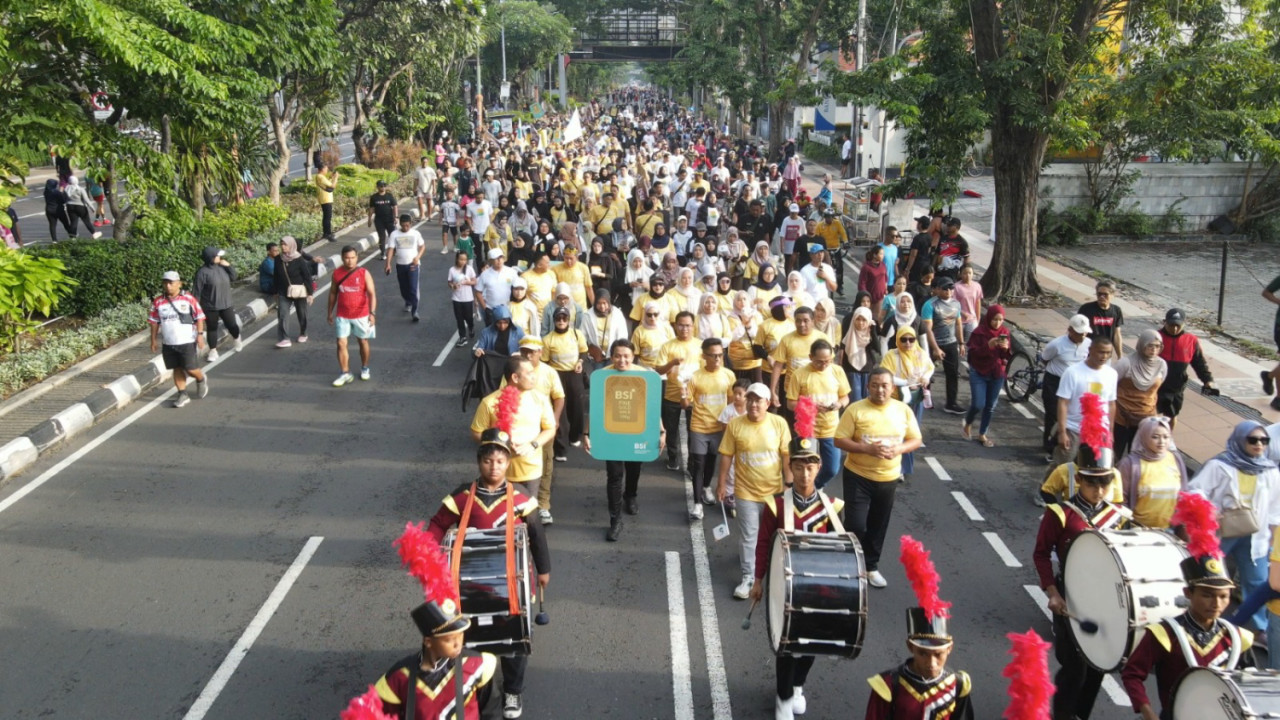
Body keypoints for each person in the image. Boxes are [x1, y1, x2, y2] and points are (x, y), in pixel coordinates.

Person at [426, 428, 551, 720]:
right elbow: (436, 525)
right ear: (478, 462)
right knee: (472, 639)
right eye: (487, 461)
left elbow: (536, 535)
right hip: (471, 587)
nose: (493, 467)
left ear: (508, 463)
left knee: (513, 640)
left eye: (499, 461)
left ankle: (512, 691)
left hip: (513, 586)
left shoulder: (521, 498)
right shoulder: (462, 495)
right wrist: (429, 560)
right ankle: (473, 688)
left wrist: (543, 570)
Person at [1032, 417, 1129, 720]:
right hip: (1070, 596)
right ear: (1080, 480)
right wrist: (1052, 593)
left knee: (1099, 666)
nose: (1099, 490)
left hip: (1106, 601)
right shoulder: (1061, 514)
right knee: (1074, 668)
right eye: (1091, 482)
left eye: (1104, 482)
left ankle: (1079, 716)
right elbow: (1041, 554)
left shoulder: (1119, 516)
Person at [748, 436, 846, 720]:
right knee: (787, 645)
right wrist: (757, 580)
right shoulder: (776, 505)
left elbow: (843, 554)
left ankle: (798, 685)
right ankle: (783, 697)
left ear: (819, 468)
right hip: (784, 589)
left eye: (810, 467)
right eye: (799, 467)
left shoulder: (834, 508)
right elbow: (764, 543)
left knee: (813, 642)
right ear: (790, 467)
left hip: (820, 590)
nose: (804, 474)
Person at [1121, 521, 1252, 720]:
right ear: (1188, 593)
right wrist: (1147, 711)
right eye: (1207, 595)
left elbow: (1249, 683)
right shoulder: (1165, 633)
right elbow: (1132, 674)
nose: (1216, 603)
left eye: (1223, 596)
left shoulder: (1238, 638)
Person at [368, 528, 498, 719]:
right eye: (449, 639)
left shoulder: (478, 665)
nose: (458, 643)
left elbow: (490, 711)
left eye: (460, 635)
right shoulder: (399, 677)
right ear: (428, 641)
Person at [833, 367, 923, 589]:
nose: (880, 390)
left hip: (888, 478)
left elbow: (916, 439)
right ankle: (849, 563)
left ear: (892, 388)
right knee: (856, 524)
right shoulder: (855, 410)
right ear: (867, 387)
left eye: (884, 385)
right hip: (858, 475)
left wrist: (899, 449)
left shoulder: (903, 411)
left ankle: (871, 567)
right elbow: (839, 440)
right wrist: (866, 449)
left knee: (878, 524)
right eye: (875, 385)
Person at [864, 538, 974, 720]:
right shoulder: (888, 685)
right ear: (910, 647)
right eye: (923, 653)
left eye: (938, 654)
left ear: (950, 648)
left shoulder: (959, 684)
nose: (931, 663)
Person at [1188, 420, 1280, 637]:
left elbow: (1276, 507)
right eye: (1253, 440)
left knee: (1257, 580)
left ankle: (1258, 629)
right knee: (1211, 576)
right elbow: (1195, 491)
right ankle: (1203, 619)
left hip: (1255, 535)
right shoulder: (1219, 466)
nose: (1259, 445)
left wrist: (1273, 538)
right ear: (1240, 439)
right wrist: (1209, 511)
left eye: (1263, 441)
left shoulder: (1270, 471)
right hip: (1222, 532)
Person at [717, 383, 792, 599]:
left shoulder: (779, 424)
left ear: (767, 403)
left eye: (758, 400)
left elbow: (787, 456)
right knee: (750, 535)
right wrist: (722, 484)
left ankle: (776, 574)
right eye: (750, 399)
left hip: (774, 493)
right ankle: (748, 577)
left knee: (774, 536)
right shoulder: (735, 425)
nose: (753, 404)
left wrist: (788, 485)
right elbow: (726, 455)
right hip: (745, 492)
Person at [588, 340, 667, 541]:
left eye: (626, 356)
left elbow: (652, 407)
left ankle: (630, 495)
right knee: (614, 476)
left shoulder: (644, 376)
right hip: (611, 434)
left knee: (634, 469)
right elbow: (595, 408)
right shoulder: (603, 376)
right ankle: (615, 520)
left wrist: (661, 431)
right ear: (612, 356)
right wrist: (587, 434)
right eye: (617, 355)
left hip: (637, 433)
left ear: (633, 356)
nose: (621, 360)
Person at [470, 357, 557, 494]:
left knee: (528, 514)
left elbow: (550, 428)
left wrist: (533, 445)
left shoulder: (540, 399)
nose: (533, 377)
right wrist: (501, 443)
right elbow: (476, 432)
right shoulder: (489, 402)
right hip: (498, 473)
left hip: (531, 471)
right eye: (529, 373)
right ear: (515, 377)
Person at [508, 336, 564, 525]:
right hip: (519, 429)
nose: (528, 355)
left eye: (532, 351)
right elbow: (504, 397)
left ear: (540, 352)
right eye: (525, 351)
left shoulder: (549, 372)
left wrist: (555, 420)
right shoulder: (514, 372)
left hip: (543, 428)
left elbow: (559, 397)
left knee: (545, 466)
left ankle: (543, 506)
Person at [786, 340, 850, 492]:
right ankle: (805, 494)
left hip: (831, 429)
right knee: (805, 468)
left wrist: (838, 404)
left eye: (828, 361)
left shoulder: (837, 371)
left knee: (832, 469)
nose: (824, 365)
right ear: (810, 357)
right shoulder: (799, 374)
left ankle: (814, 488)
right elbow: (790, 403)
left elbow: (845, 397)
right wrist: (811, 407)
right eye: (820, 362)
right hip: (808, 431)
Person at [684, 338, 736, 518]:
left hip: (719, 428)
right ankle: (697, 504)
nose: (717, 359)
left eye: (720, 355)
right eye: (713, 356)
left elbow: (731, 401)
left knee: (712, 462)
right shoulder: (695, 377)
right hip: (699, 426)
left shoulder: (729, 375)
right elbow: (686, 402)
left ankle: (706, 487)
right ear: (703, 356)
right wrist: (684, 398)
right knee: (698, 464)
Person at [1052, 339, 1118, 468]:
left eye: (1108, 353)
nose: (1104, 356)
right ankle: (1047, 488)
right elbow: (1063, 403)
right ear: (1090, 350)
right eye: (1100, 352)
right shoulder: (1072, 372)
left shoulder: (1112, 374)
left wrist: (1110, 432)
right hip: (1073, 429)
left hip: (1099, 432)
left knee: (1098, 469)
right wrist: (1062, 432)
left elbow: (1111, 404)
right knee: (1062, 467)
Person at [149, 271, 208, 408]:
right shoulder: (158, 301)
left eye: (171, 283)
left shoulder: (188, 299)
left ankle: (200, 378)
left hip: (187, 341)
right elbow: (154, 322)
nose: (168, 286)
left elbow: (199, 317)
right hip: (169, 343)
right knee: (176, 368)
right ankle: (182, 394)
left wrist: (199, 335)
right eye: (165, 283)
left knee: (191, 369)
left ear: (179, 284)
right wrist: (153, 340)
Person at [1116, 415, 1188, 529]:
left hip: (1169, 531)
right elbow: (1119, 499)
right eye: (1155, 437)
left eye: (1166, 437)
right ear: (1144, 437)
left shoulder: (1175, 458)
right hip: (1138, 531)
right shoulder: (1129, 464)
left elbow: (1184, 492)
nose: (1161, 442)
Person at [879, 326, 932, 477]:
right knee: (897, 432)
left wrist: (925, 378)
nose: (908, 343)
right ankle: (898, 467)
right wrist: (906, 382)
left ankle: (906, 466)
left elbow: (930, 367)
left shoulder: (920, 354)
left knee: (911, 433)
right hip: (897, 399)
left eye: (911, 339)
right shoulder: (892, 355)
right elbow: (886, 374)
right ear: (897, 340)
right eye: (903, 339)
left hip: (915, 399)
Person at [654, 312, 704, 472]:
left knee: (693, 430)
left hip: (694, 396)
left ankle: (691, 464)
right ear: (675, 326)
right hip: (671, 394)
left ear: (693, 326)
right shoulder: (668, 346)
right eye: (681, 325)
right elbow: (658, 369)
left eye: (688, 325)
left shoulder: (700, 345)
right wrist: (672, 363)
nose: (684, 328)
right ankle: (673, 457)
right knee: (671, 429)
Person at [1039, 315, 1092, 453]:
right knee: (1053, 414)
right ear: (1070, 330)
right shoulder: (1056, 345)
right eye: (1079, 332)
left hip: (1076, 385)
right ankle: (1050, 447)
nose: (1083, 336)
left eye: (1085, 332)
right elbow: (1045, 359)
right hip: (1055, 382)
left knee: (1072, 414)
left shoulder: (1088, 344)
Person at [327, 245, 377, 387]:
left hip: (361, 315)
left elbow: (372, 294)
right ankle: (345, 373)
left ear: (357, 257)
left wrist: (372, 313)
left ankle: (365, 367)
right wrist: (329, 312)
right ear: (342, 258)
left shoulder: (363, 273)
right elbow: (332, 293)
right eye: (347, 258)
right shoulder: (336, 274)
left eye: (352, 258)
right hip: (342, 315)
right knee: (341, 343)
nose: (350, 261)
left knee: (363, 342)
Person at [1156, 308, 1216, 427]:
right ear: (1165, 322)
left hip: (1177, 386)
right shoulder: (1156, 337)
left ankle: (1168, 439)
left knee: (1172, 416)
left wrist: (1207, 380)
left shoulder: (1191, 340)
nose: (1174, 329)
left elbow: (1199, 362)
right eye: (1171, 325)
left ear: (1184, 324)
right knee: (1152, 415)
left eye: (1178, 326)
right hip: (1157, 385)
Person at [962, 305, 1011, 448]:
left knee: (990, 406)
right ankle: (968, 422)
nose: (997, 323)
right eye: (994, 319)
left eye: (1000, 320)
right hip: (979, 372)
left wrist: (1005, 349)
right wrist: (988, 346)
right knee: (978, 404)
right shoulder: (979, 332)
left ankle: (982, 433)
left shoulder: (1005, 332)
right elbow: (973, 354)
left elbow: (1006, 357)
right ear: (989, 318)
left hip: (996, 373)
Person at [543, 307, 588, 462]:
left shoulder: (577, 334)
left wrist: (581, 362)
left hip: (574, 374)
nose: (561, 321)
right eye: (558, 318)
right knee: (559, 412)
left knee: (577, 407)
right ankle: (560, 448)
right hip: (557, 375)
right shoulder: (548, 339)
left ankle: (575, 436)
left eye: (564, 318)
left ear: (569, 320)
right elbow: (544, 361)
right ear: (554, 320)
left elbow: (584, 351)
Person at [1113, 329, 1167, 455]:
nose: (1154, 349)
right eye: (1150, 345)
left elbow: (1157, 388)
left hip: (1146, 416)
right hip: (1122, 416)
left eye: (1157, 346)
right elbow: (1110, 383)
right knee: (1115, 453)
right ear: (1142, 345)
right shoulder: (1126, 363)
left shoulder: (1162, 365)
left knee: (1139, 455)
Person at [768, 306, 829, 412]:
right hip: (793, 393)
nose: (802, 324)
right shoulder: (786, 339)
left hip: (816, 391)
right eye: (798, 321)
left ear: (813, 321)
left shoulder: (822, 338)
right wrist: (773, 391)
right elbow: (778, 366)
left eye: (806, 321)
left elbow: (829, 364)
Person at [921, 276, 965, 415]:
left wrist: (961, 343)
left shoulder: (956, 304)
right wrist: (935, 348)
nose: (948, 291)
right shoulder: (930, 305)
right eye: (945, 288)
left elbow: (958, 324)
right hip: (933, 344)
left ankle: (951, 403)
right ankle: (924, 399)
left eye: (951, 288)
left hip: (951, 343)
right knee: (925, 373)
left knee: (952, 374)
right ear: (938, 289)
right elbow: (927, 329)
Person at [191, 247, 241, 362]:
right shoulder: (202, 273)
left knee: (232, 325)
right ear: (211, 258)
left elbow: (234, 277)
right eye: (217, 256)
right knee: (212, 328)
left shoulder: (223, 267)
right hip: (210, 307)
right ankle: (213, 351)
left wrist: (228, 266)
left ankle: (237, 338)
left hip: (226, 304)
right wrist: (195, 309)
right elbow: (197, 292)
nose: (220, 257)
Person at [273, 236, 315, 348]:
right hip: (283, 291)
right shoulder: (278, 259)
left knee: (302, 314)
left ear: (291, 245)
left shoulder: (299, 259)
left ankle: (303, 333)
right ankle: (285, 338)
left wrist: (310, 294)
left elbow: (307, 277)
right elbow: (276, 275)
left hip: (299, 292)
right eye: (281, 244)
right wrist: (275, 291)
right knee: (282, 314)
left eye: (285, 244)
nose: (283, 246)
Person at [385, 213, 427, 322]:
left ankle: (415, 311)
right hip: (400, 265)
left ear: (411, 224)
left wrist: (417, 257)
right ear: (400, 224)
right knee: (403, 288)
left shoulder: (416, 233)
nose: (405, 228)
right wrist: (388, 263)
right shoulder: (394, 234)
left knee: (413, 288)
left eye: (407, 225)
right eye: (403, 225)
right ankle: (408, 301)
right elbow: (390, 249)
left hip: (413, 265)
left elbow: (422, 246)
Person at [840, 306, 881, 403]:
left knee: (868, 399)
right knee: (855, 400)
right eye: (858, 319)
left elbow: (878, 349)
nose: (860, 323)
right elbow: (843, 349)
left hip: (867, 369)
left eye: (864, 320)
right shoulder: (849, 334)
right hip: (851, 369)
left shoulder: (870, 333)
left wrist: (873, 331)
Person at [1077, 280, 1124, 352]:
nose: (1102, 297)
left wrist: (1120, 356)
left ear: (1112, 295)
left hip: (1105, 352)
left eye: (1105, 294)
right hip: (1088, 352)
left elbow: (1117, 334)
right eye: (1099, 294)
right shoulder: (1086, 309)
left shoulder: (1116, 310)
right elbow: (1078, 330)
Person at [475, 249, 519, 326]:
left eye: (501, 257)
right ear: (490, 261)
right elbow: (478, 292)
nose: (499, 260)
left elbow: (518, 287)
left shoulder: (511, 272)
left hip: (508, 309)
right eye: (496, 258)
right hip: (491, 310)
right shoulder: (485, 274)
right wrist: (485, 308)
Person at [448, 250, 477, 347]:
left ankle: (471, 327)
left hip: (468, 298)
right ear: (457, 259)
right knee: (459, 318)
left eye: (465, 259)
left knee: (468, 317)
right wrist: (453, 286)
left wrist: (467, 282)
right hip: (457, 298)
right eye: (461, 259)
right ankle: (462, 337)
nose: (463, 261)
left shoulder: (469, 269)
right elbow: (450, 282)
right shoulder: (452, 270)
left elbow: (474, 281)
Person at [952, 264, 982, 337]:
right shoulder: (956, 287)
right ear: (961, 274)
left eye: (970, 273)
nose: (968, 275)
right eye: (965, 273)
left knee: (971, 342)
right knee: (959, 342)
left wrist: (978, 318)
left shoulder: (977, 286)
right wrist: (963, 313)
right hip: (958, 320)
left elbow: (978, 303)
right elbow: (953, 304)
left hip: (972, 319)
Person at [857, 245, 888, 309]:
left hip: (881, 297)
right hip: (870, 297)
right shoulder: (866, 267)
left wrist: (885, 290)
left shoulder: (883, 265)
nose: (883, 256)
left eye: (883, 254)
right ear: (874, 255)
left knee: (879, 317)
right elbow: (862, 283)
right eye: (881, 254)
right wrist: (865, 297)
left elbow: (885, 279)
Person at [315, 164, 337, 241]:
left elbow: (327, 184)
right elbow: (333, 186)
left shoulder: (321, 177)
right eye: (326, 169)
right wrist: (336, 178)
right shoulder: (320, 176)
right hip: (325, 199)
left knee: (327, 217)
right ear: (322, 169)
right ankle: (327, 233)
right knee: (327, 217)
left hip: (326, 199)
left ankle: (327, 232)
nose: (327, 170)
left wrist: (331, 178)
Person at [414, 155, 437, 220]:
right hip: (420, 187)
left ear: (428, 162)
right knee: (419, 201)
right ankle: (422, 215)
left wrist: (434, 189)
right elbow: (416, 179)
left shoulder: (431, 170)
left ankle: (429, 215)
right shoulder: (418, 169)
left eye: (426, 162)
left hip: (429, 188)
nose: (425, 163)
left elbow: (433, 180)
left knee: (429, 202)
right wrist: (414, 188)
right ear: (421, 162)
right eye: (423, 162)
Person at [440, 187, 462, 254]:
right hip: (445, 221)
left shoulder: (455, 203)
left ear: (452, 194)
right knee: (444, 234)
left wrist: (458, 220)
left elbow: (457, 212)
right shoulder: (443, 203)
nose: (449, 195)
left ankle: (455, 246)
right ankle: (445, 247)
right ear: (445, 194)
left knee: (454, 234)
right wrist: (440, 219)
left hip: (453, 221)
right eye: (447, 193)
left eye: (450, 193)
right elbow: (441, 212)